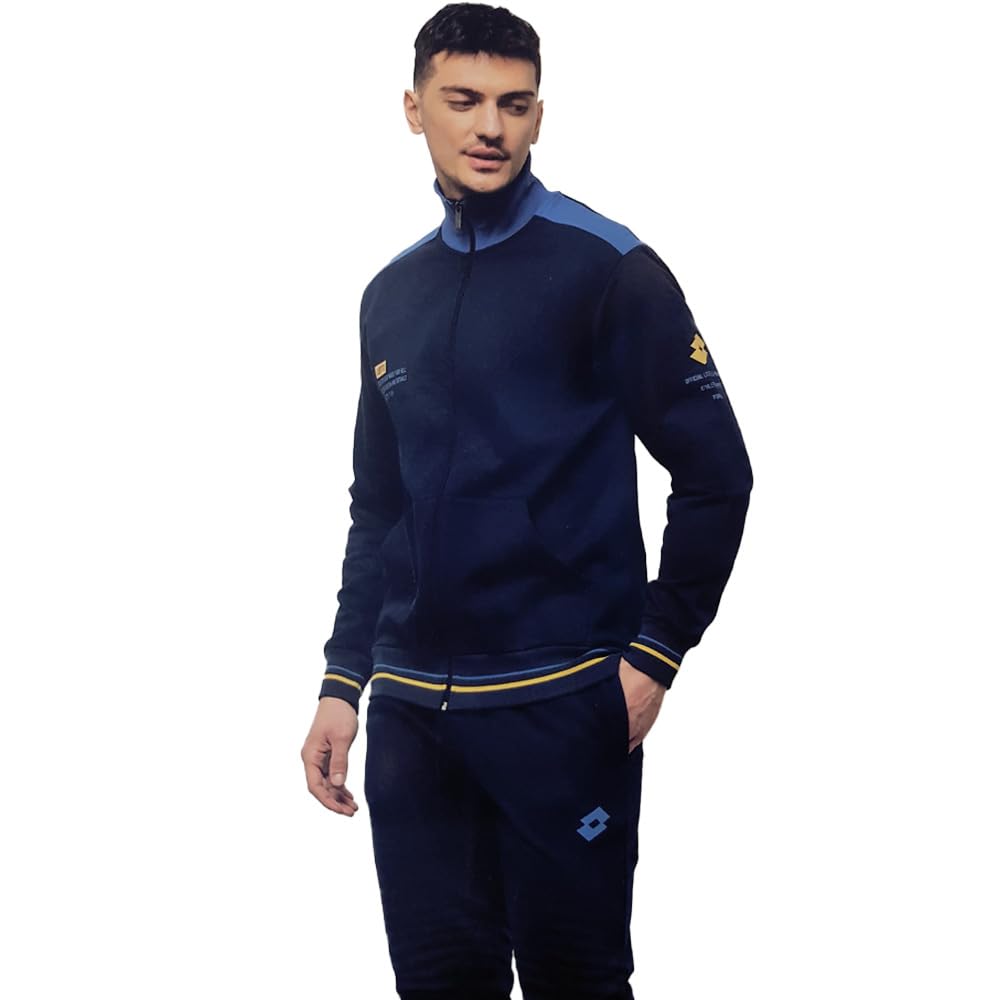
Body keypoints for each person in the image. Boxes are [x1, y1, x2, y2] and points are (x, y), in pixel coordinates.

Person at [301, 4, 753, 997]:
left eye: (514, 104)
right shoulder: (391, 295)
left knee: (575, 983)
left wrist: (655, 654)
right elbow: (379, 507)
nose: (490, 127)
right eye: (463, 100)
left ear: (539, 115)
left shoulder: (609, 269)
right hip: (413, 723)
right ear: (413, 108)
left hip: (561, 709)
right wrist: (343, 680)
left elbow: (718, 473)